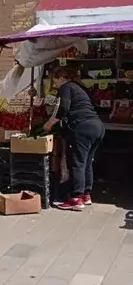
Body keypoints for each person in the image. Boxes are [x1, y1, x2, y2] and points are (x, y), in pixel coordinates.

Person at [43, 65, 105, 211]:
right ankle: (86, 194)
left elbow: (63, 108)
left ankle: (76, 198)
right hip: (97, 126)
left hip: (82, 127)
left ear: (62, 78)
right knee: (87, 162)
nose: (55, 84)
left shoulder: (66, 87)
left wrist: (49, 124)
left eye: (55, 80)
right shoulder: (79, 87)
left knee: (77, 163)